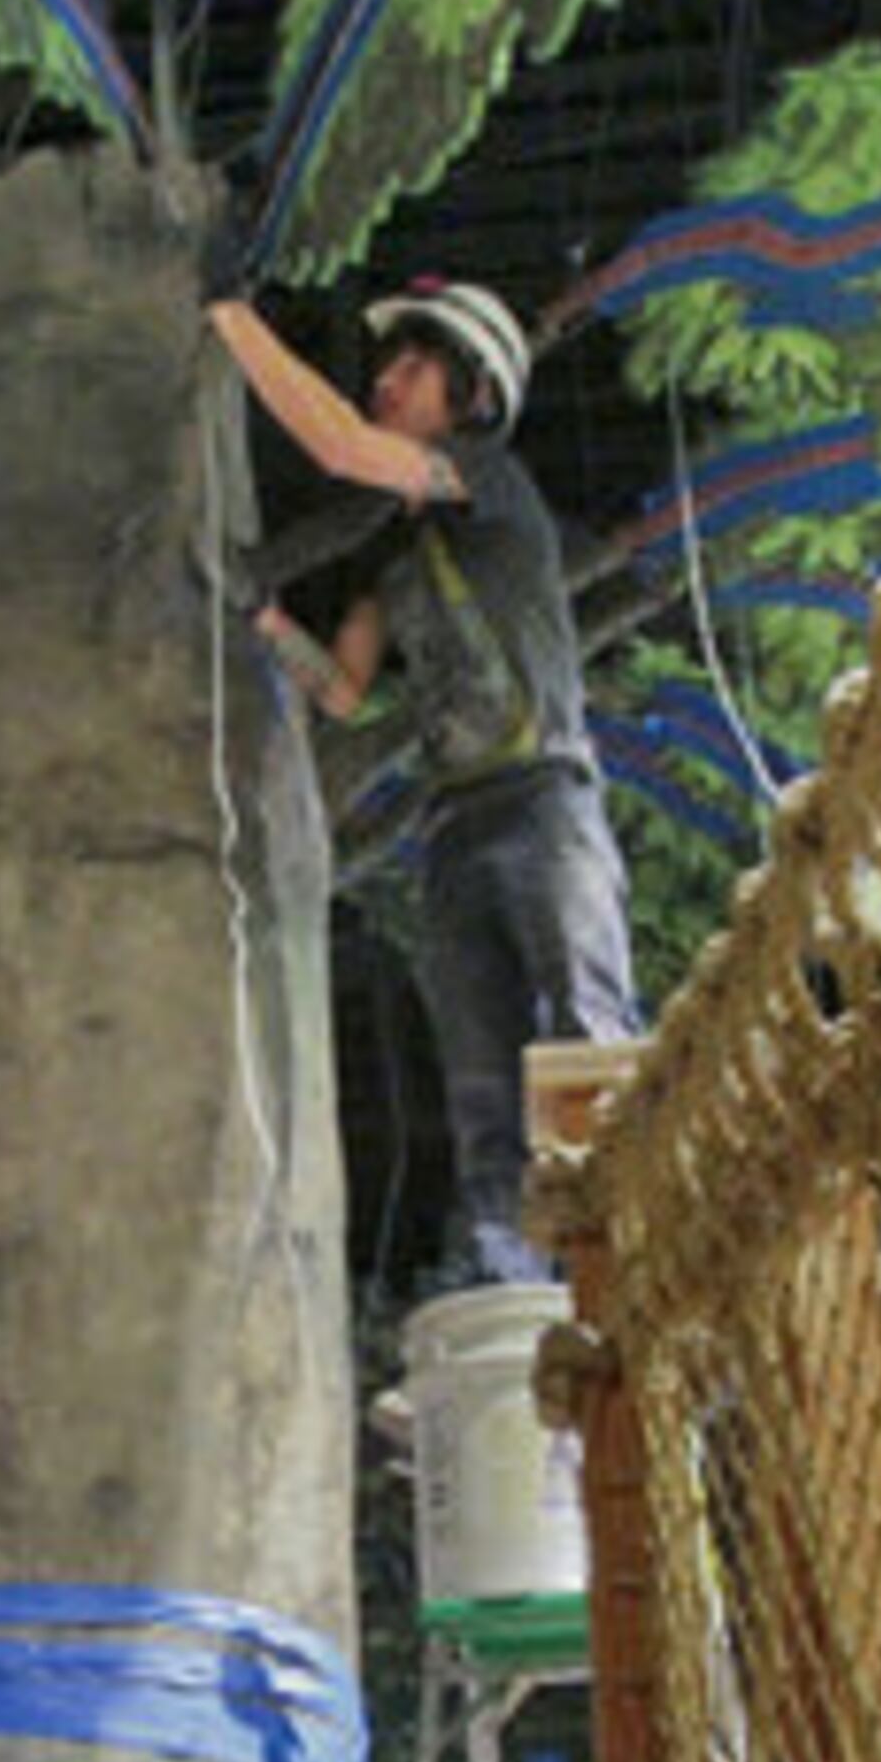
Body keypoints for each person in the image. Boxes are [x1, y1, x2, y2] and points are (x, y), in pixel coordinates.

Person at [206, 278, 637, 1286]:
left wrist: (231, 318)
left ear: (473, 393)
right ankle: (506, 1301)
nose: (387, 379)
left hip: (544, 802)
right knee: (485, 1094)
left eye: (412, 365)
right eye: (390, 363)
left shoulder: (492, 483)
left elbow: (344, 447)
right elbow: (346, 690)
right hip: (456, 830)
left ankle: (634, 1250)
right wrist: (265, 618)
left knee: (585, 1030)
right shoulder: (399, 560)